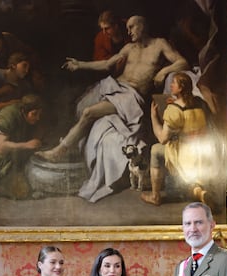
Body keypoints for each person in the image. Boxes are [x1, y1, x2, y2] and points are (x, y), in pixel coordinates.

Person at [37, 15, 188, 202]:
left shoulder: (160, 44)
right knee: (81, 105)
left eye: (132, 27)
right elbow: (107, 64)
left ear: (143, 26)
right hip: (114, 87)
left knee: (88, 112)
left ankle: (60, 150)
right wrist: (80, 65)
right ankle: (73, 145)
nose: (129, 31)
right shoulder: (128, 48)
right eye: (128, 27)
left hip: (131, 97)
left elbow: (182, 62)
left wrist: (163, 71)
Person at [141, 71, 216, 206]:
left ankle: (155, 196)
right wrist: (176, 103)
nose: (171, 85)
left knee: (155, 150)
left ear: (181, 88)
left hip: (185, 154)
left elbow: (162, 139)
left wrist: (153, 117)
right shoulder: (199, 104)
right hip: (201, 152)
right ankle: (200, 193)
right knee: (192, 182)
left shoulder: (173, 110)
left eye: (174, 83)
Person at [0, 93, 44, 198]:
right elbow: (1, 147)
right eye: (34, 114)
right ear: (23, 111)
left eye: (39, 114)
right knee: (22, 192)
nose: (37, 118)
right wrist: (26, 145)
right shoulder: (7, 115)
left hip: (12, 151)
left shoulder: (26, 116)